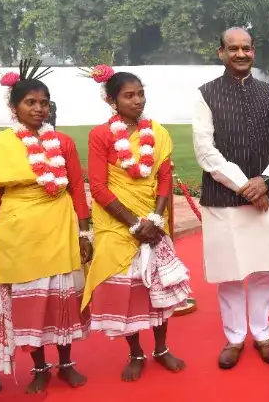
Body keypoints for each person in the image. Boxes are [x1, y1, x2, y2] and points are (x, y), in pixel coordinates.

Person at [192, 27, 269, 369]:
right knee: (230, 271)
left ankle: (262, 333)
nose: (240, 54)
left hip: (268, 192)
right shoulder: (206, 94)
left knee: (264, 269)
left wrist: (265, 181)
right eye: (232, 48)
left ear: (253, 51)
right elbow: (205, 151)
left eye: (246, 48)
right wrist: (245, 187)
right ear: (220, 52)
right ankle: (235, 337)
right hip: (224, 198)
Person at [82, 68, 189, 382]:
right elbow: (99, 188)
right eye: (129, 95)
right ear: (112, 100)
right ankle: (136, 352)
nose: (137, 100)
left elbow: (165, 180)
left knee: (157, 286)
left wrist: (155, 219)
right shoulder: (100, 135)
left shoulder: (158, 133)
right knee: (128, 289)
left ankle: (160, 348)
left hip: (152, 221)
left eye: (141, 93)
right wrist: (134, 223)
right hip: (117, 224)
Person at [0, 63, 92, 394]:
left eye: (44, 102)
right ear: (14, 107)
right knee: (29, 304)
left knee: (62, 300)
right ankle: (39, 368)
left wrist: (84, 233)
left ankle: (66, 364)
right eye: (30, 102)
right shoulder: (0, 145)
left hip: (59, 226)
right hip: (17, 233)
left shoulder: (62, 142)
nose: (38, 108)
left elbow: (77, 186)